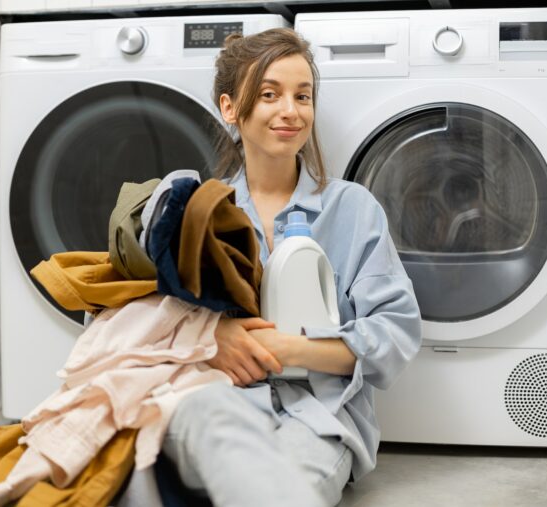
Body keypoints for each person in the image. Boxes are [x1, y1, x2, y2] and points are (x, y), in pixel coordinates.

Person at [160, 28, 422, 507]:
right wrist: (210, 338)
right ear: (230, 108)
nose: (290, 111)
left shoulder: (352, 209)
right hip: (221, 399)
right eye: (269, 94)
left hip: (320, 413)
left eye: (303, 96)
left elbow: (395, 331)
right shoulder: (200, 210)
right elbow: (137, 319)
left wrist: (291, 347)